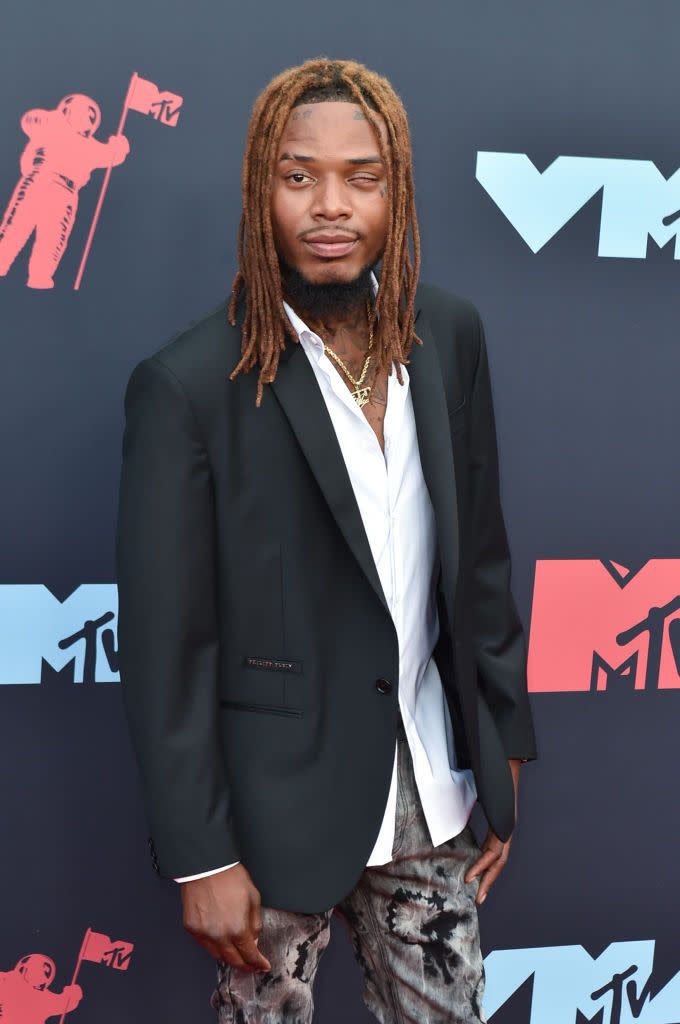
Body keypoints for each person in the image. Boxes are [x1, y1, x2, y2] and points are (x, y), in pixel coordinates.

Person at [115, 56, 537, 1024]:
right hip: (269, 821)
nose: (329, 205)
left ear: (399, 191)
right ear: (259, 189)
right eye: (298, 175)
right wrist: (201, 852)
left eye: (363, 175)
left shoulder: (449, 336)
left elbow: (478, 560)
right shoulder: (187, 384)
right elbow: (166, 643)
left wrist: (498, 737)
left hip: (433, 787)